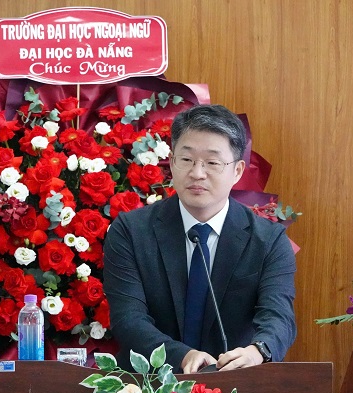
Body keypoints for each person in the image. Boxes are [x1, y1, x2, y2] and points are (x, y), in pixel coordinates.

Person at [103, 104, 297, 373]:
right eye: (186, 160)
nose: (197, 173)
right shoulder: (131, 231)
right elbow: (128, 318)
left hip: (236, 382)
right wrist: (182, 356)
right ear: (171, 163)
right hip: (150, 384)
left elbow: (279, 316)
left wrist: (257, 351)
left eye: (213, 162)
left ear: (238, 171)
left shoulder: (269, 241)